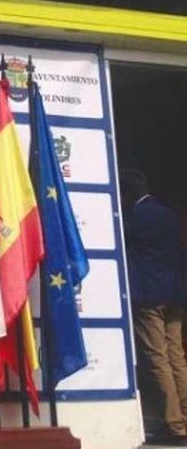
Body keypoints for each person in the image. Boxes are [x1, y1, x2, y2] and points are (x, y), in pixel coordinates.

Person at [121, 168, 187, 446]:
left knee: (158, 358)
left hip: (149, 297)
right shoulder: (171, 214)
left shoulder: (133, 218)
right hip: (175, 294)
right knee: (177, 356)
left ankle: (175, 425)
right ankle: (183, 417)